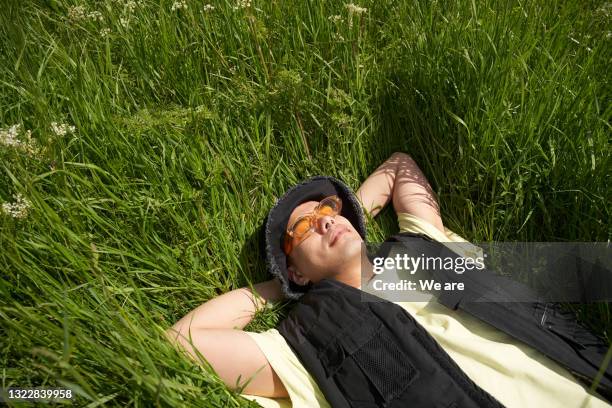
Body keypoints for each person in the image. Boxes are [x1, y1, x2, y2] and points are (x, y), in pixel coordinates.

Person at [165, 152, 610, 407]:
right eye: (302, 228)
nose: (322, 221)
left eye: (326, 210)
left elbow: (399, 166)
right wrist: (282, 288)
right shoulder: (307, 343)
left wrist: (348, 214)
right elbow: (182, 342)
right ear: (294, 269)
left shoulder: (423, 245)